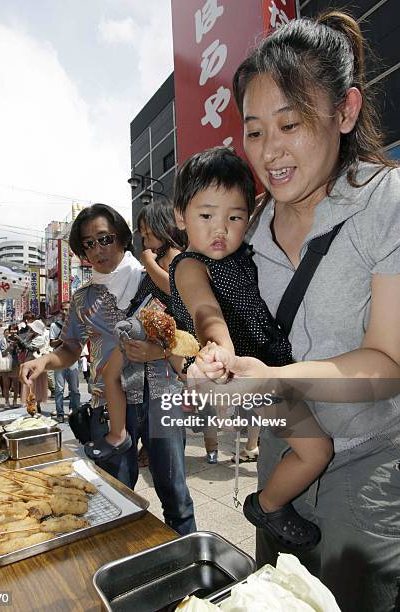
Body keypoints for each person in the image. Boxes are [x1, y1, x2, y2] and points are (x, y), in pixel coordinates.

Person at [190, 11, 400, 611]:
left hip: (370, 465)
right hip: (284, 456)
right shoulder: (247, 229)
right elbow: (214, 316)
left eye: (291, 123)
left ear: (346, 111)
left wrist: (272, 378)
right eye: (254, 131)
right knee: (275, 599)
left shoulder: (385, 202)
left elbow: (386, 363)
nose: (269, 152)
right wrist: (211, 366)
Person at [170, 146, 332, 550]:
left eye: (235, 217)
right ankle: (267, 505)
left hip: (276, 366)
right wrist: (220, 348)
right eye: (206, 216)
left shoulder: (245, 252)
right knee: (316, 451)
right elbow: (207, 311)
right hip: (254, 378)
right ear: (180, 216)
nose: (220, 228)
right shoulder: (191, 264)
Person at [20, 203, 196, 535]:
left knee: (176, 497)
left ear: (121, 238)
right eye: (88, 243)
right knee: (114, 495)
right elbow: (71, 348)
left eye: (104, 238)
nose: (98, 249)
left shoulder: (155, 278)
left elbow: (187, 333)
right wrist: (44, 360)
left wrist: (156, 351)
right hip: (108, 406)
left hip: (162, 397)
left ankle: (189, 563)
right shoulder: (84, 298)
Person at [88, 199, 186, 460]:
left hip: (148, 325)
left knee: (111, 374)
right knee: (111, 374)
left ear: (164, 227)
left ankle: (118, 434)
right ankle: (119, 433)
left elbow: (175, 289)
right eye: (142, 235)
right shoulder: (162, 255)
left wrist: (149, 263)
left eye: (148, 234)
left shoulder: (173, 255)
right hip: (143, 324)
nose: (145, 241)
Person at [49, 301, 81, 423]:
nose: (65, 312)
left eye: (68, 309)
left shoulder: (76, 325)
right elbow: (51, 343)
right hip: (58, 359)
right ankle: (60, 413)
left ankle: (75, 412)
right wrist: (62, 338)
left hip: (72, 359)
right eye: (63, 309)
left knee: (74, 389)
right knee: (59, 389)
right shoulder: (54, 326)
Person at [16, 319, 49, 412]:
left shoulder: (40, 338)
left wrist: (20, 339)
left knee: (36, 385)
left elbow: (30, 348)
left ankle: (36, 404)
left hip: (36, 365)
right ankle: (31, 404)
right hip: (30, 363)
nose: (31, 330)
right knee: (30, 385)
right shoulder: (32, 337)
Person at [0, 323, 21, 408]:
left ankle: (15, 401)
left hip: (16, 364)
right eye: (11, 329)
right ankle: (6, 401)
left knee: (16, 384)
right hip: (6, 364)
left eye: (15, 329)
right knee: (6, 384)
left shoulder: (19, 340)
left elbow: (23, 350)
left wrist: (18, 344)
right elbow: (2, 353)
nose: (13, 331)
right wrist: (9, 347)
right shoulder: (3, 340)